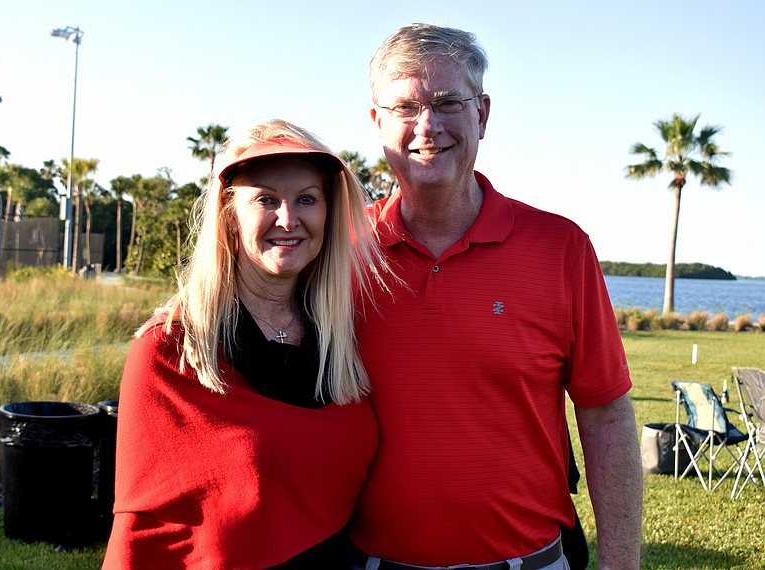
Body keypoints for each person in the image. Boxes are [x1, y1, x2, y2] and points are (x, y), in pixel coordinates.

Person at [350, 23, 643, 570]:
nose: (427, 125)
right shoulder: (340, 253)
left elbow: (605, 414)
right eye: (406, 107)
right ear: (377, 122)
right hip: (369, 562)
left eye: (447, 102)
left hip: (529, 562)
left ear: (482, 114)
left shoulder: (560, 247)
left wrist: (621, 562)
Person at [102, 119, 391, 569]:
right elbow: (145, 535)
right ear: (229, 216)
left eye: (307, 199)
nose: (289, 219)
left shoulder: (343, 339)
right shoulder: (172, 351)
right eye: (265, 200)